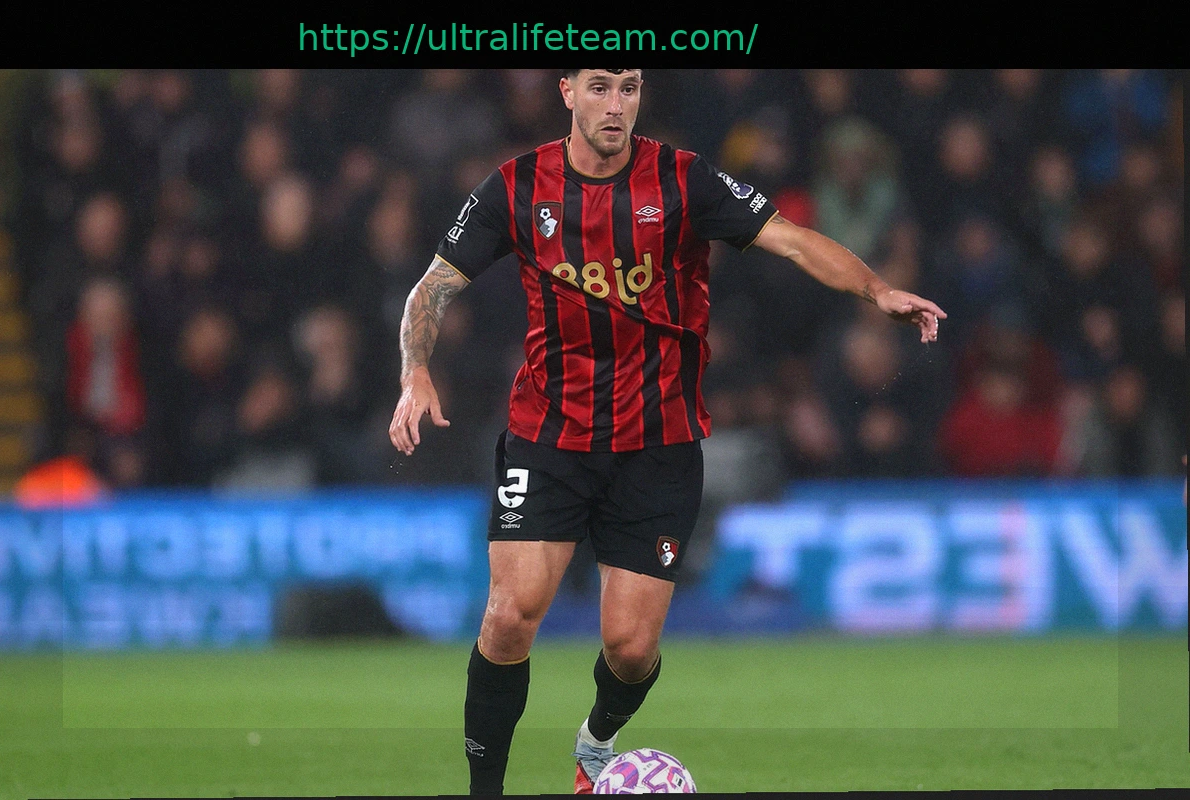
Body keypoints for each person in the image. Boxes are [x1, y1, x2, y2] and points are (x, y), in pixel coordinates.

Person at [388, 69, 947, 795]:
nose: (615, 105)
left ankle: (597, 742)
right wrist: (415, 371)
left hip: (657, 444)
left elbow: (792, 241)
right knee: (508, 617)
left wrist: (877, 289)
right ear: (566, 92)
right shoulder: (517, 185)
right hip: (549, 437)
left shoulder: (684, 180)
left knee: (630, 649)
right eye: (599, 87)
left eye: (628, 88)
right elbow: (433, 285)